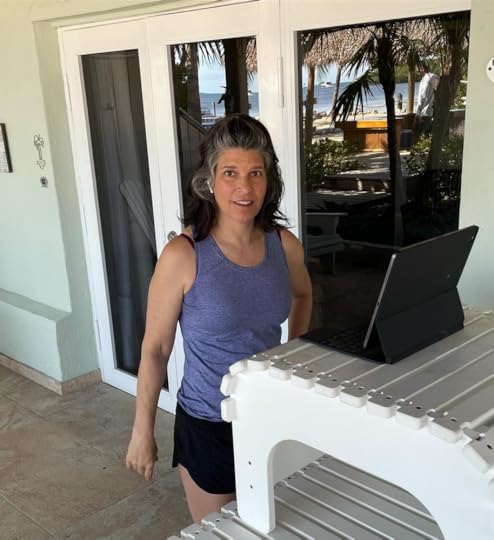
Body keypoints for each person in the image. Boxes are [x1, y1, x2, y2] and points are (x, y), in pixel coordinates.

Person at [126, 114, 313, 523]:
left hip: (268, 415)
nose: (244, 187)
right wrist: (143, 429)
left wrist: (292, 357)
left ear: (268, 181)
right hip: (208, 424)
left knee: (271, 525)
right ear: (209, 180)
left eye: (255, 173)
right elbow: (155, 348)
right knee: (222, 533)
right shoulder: (184, 255)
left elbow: (303, 294)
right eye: (230, 173)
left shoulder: (283, 245)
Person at [413, 66, 440, 140]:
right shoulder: (433, 77)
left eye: (417, 69)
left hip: (424, 112)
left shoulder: (427, 79)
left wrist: (418, 113)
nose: (417, 72)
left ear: (422, 68)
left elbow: (423, 97)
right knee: (427, 135)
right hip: (430, 111)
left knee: (418, 134)